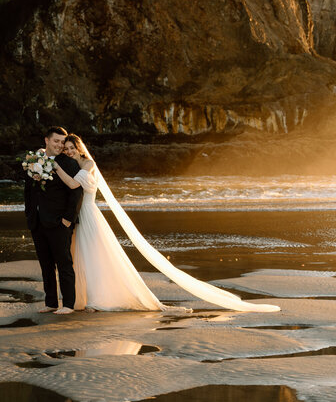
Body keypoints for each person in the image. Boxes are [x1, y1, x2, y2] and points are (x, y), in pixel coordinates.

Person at [52, 133, 280, 313]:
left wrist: (54, 166)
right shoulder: (73, 165)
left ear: (80, 148)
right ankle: (84, 298)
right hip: (82, 217)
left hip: (92, 215)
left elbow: (73, 185)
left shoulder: (88, 164)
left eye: (73, 148)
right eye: (67, 149)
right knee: (83, 257)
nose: (70, 151)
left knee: (96, 256)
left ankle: (97, 299)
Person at [24, 126, 83, 314]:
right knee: (45, 264)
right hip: (37, 221)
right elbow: (29, 191)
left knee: (64, 263)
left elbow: (76, 193)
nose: (59, 145)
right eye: (56, 141)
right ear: (47, 140)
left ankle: (68, 305)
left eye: (62, 142)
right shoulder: (35, 161)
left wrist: (68, 219)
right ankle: (50, 303)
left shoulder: (69, 163)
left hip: (59, 222)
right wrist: (29, 215)